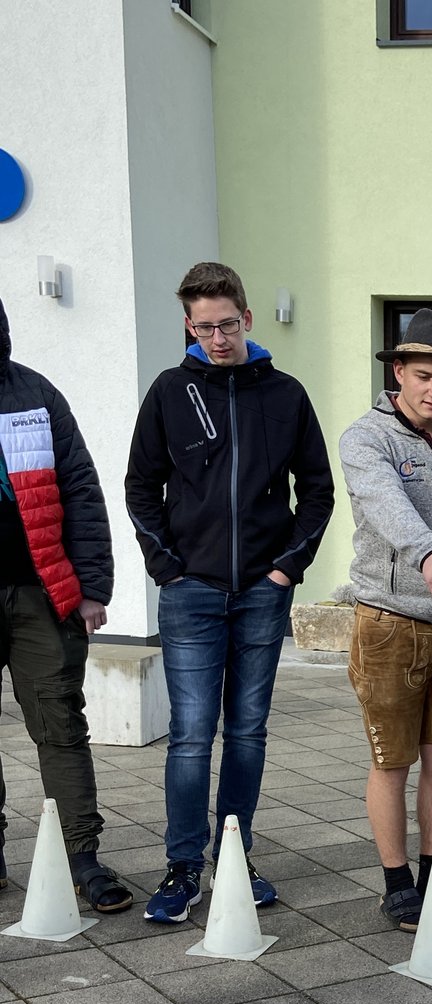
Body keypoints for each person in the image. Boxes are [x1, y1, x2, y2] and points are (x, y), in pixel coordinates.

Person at [126, 262, 335, 922]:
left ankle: (235, 858)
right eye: (203, 328)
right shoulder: (170, 392)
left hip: (262, 593)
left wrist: (286, 569)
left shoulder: (286, 395)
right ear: (189, 326)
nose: (216, 338)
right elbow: (140, 488)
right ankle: (183, 867)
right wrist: (168, 568)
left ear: (246, 317)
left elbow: (317, 492)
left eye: (226, 324)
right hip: (190, 591)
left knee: (246, 731)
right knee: (191, 735)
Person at [339, 310, 432, 932]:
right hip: (390, 623)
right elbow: (386, 505)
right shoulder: (364, 439)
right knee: (392, 761)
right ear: (397, 371)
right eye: (424, 376)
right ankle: (396, 884)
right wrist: (431, 554)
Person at [0, 298, 132, 912]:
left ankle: (83, 859)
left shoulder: (36, 394)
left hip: (41, 593)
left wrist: (93, 587)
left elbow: (80, 487)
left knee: (60, 727)